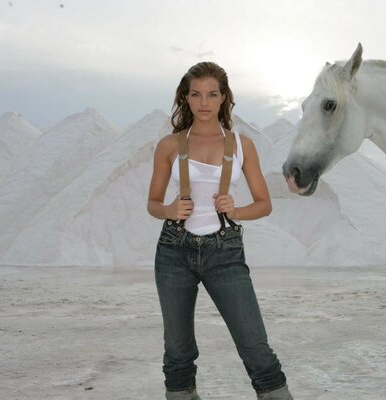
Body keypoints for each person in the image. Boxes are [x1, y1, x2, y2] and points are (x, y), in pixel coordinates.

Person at [147, 61, 293, 400]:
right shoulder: (169, 145)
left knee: (255, 347)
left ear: (224, 98)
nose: (204, 102)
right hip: (173, 251)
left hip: (224, 251)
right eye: (196, 94)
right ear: (185, 98)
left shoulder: (243, 145)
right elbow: (153, 202)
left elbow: (264, 204)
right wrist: (168, 209)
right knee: (178, 351)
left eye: (212, 94)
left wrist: (236, 209)